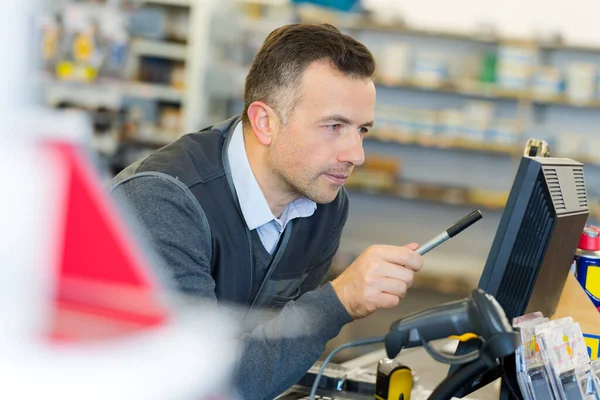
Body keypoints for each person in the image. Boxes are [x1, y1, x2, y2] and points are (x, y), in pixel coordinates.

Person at [111, 23, 423, 400]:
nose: (356, 154)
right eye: (334, 126)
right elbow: (202, 386)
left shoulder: (322, 203)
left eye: (362, 130)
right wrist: (338, 301)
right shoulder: (162, 203)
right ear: (265, 122)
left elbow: (275, 347)